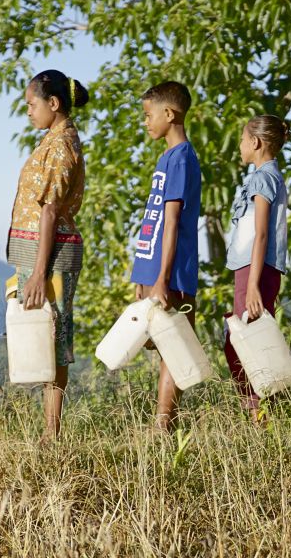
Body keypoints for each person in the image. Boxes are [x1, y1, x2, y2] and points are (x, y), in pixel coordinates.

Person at [7, 69, 89, 440]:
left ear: (53, 104)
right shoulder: (54, 140)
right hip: (42, 254)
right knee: (41, 336)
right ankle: (47, 429)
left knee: (52, 338)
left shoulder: (59, 146)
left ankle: (51, 431)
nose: (28, 111)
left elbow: (50, 211)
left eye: (32, 104)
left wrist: (39, 273)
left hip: (51, 257)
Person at [129, 81, 201, 432]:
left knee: (176, 346)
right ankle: (161, 421)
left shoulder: (183, 158)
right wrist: (142, 275)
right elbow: (154, 219)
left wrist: (161, 279)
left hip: (173, 273)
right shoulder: (166, 157)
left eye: (148, 115)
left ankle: (163, 423)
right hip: (153, 269)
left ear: (169, 114)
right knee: (160, 345)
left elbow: (172, 221)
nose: (145, 122)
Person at [223, 114, 290, 419]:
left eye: (241, 138)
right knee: (245, 339)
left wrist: (252, 285)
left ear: (256, 142)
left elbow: (261, 232)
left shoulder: (262, 178)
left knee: (245, 341)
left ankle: (258, 408)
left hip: (255, 270)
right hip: (254, 269)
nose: (239, 145)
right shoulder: (269, 175)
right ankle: (259, 407)